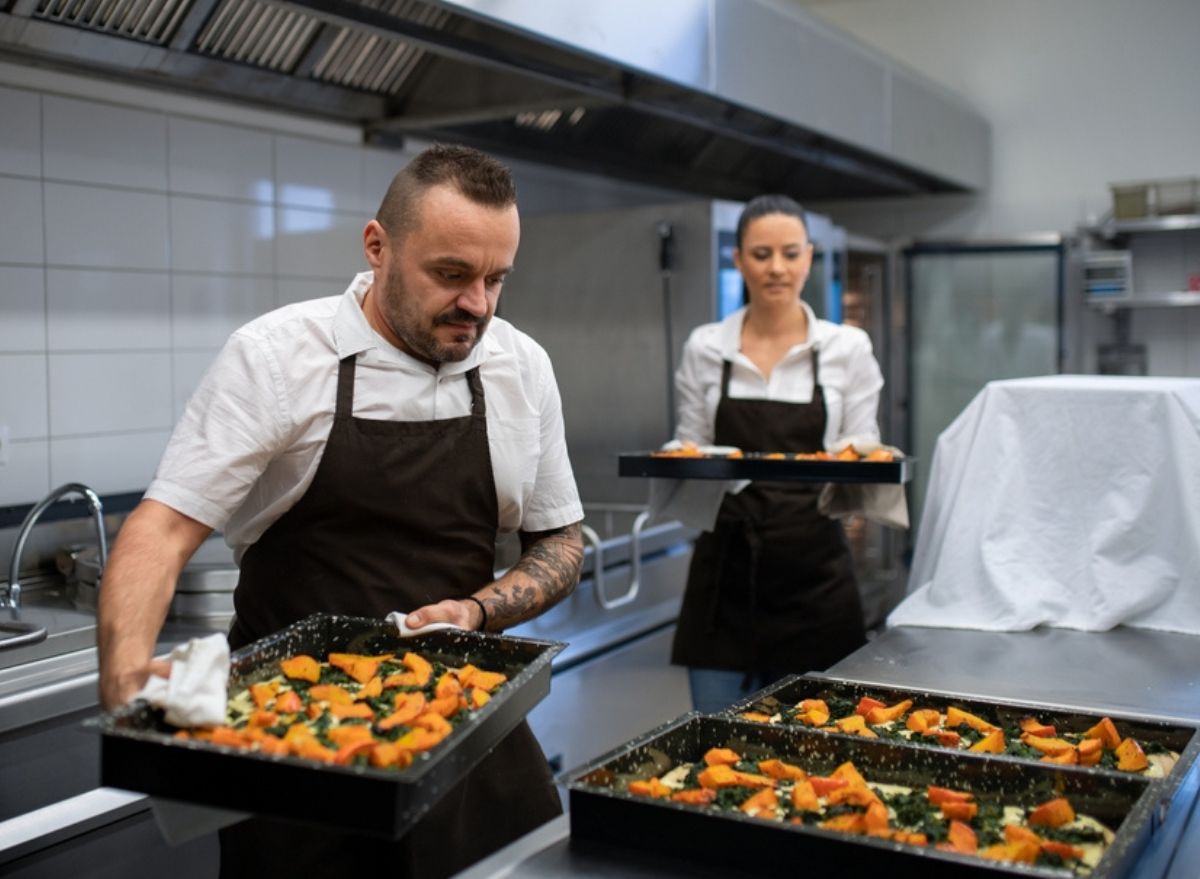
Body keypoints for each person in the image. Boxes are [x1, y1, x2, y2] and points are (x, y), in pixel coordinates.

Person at [96, 144, 585, 878]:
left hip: (464, 725)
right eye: (451, 275)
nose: (477, 305)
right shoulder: (277, 357)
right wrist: (126, 671)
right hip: (296, 745)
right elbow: (162, 528)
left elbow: (561, 540)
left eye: (495, 279)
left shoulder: (522, 365)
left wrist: (479, 611)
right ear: (377, 246)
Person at [671, 194, 884, 714]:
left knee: (823, 753)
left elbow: (863, 448)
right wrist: (677, 457)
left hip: (817, 577)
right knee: (716, 746)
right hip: (724, 575)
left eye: (790, 253)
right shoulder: (706, 346)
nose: (776, 268)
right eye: (761, 254)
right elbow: (691, 444)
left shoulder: (846, 349)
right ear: (739, 260)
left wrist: (869, 458)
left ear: (809, 258)